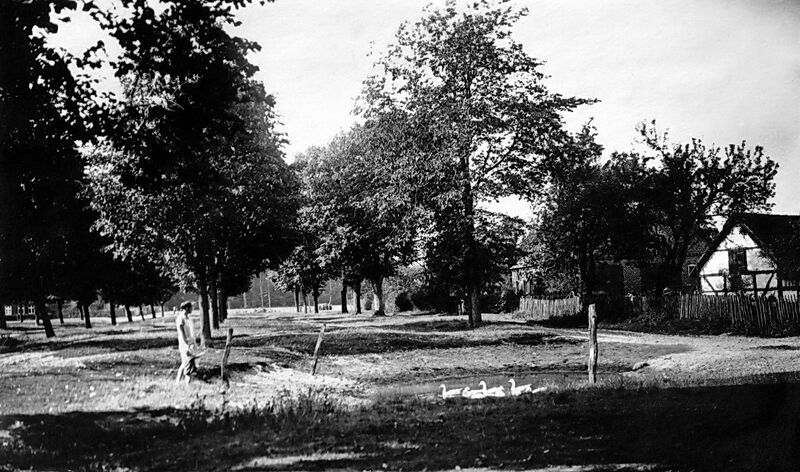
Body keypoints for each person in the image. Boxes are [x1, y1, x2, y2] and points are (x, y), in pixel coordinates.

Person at [175, 301, 199, 383]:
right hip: (184, 342)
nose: (192, 309)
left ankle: (180, 381)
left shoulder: (188, 318)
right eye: (190, 307)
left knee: (186, 362)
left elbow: (191, 331)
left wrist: (193, 340)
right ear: (186, 308)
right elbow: (182, 332)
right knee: (186, 361)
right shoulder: (180, 318)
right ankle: (183, 381)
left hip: (190, 341)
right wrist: (186, 343)